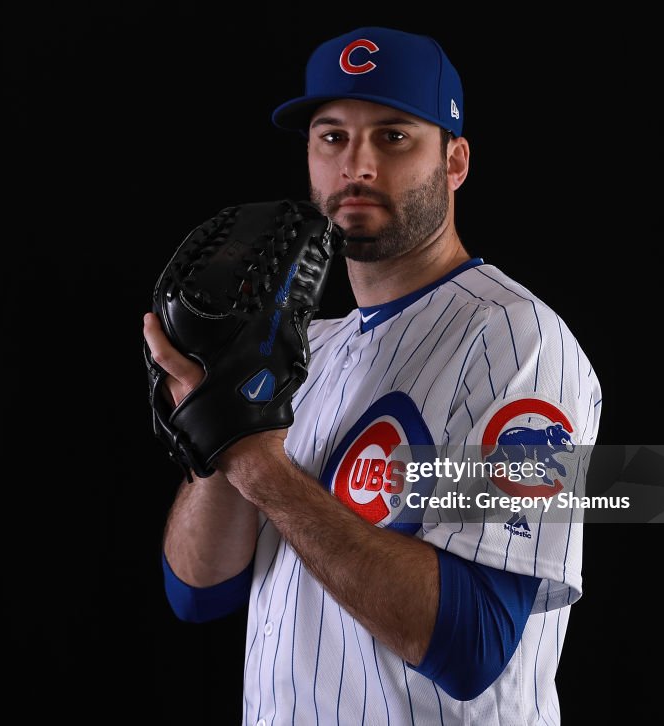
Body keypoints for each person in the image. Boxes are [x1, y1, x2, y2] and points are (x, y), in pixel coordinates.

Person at [143, 26, 602, 725]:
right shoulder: (306, 351)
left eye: (392, 137)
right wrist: (220, 435)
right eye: (332, 138)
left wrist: (262, 469)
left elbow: (473, 643)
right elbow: (198, 592)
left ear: (455, 162)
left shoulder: (517, 341)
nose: (356, 164)